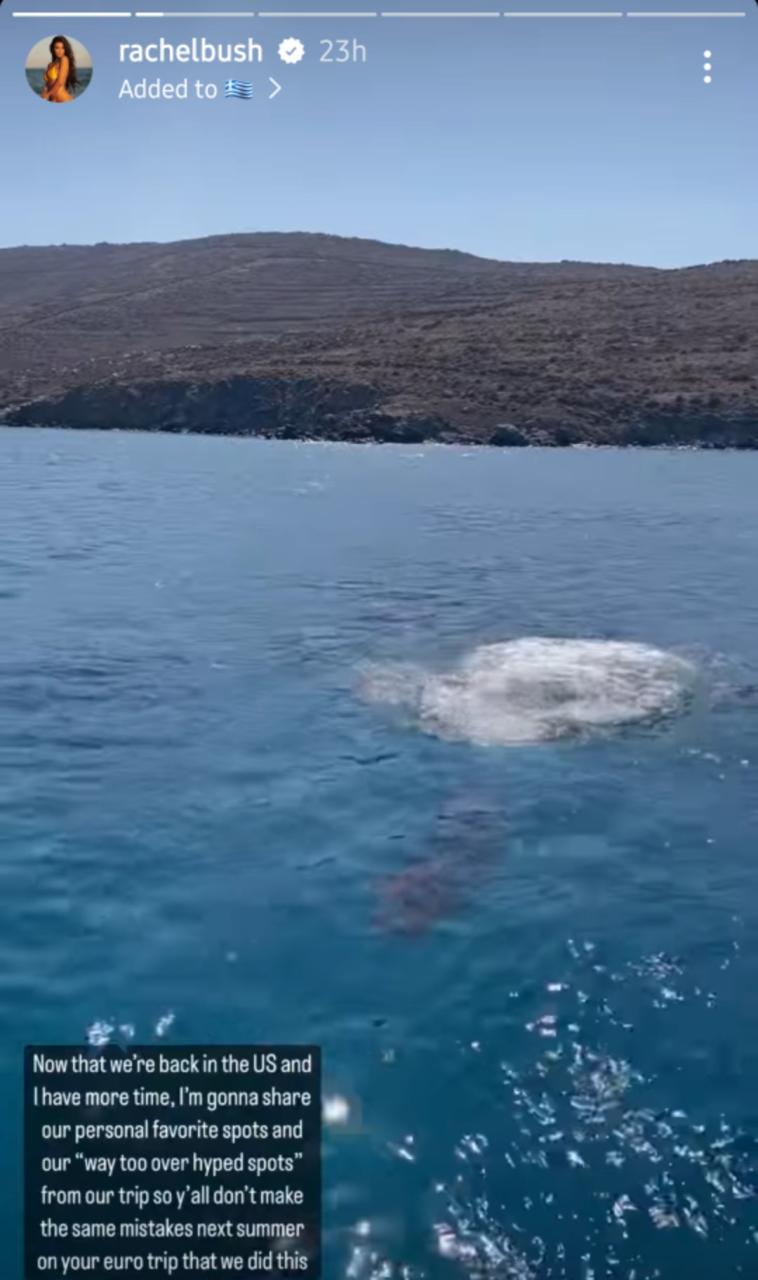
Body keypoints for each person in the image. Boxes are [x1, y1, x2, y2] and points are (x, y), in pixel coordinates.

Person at [41, 36, 78, 103]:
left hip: (63, 99)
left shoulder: (64, 59)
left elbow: (60, 81)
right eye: (57, 48)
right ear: (53, 49)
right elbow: (47, 84)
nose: (60, 51)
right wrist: (44, 93)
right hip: (52, 99)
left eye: (63, 48)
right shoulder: (50, 64)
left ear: (65, 49)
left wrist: (48, 94)